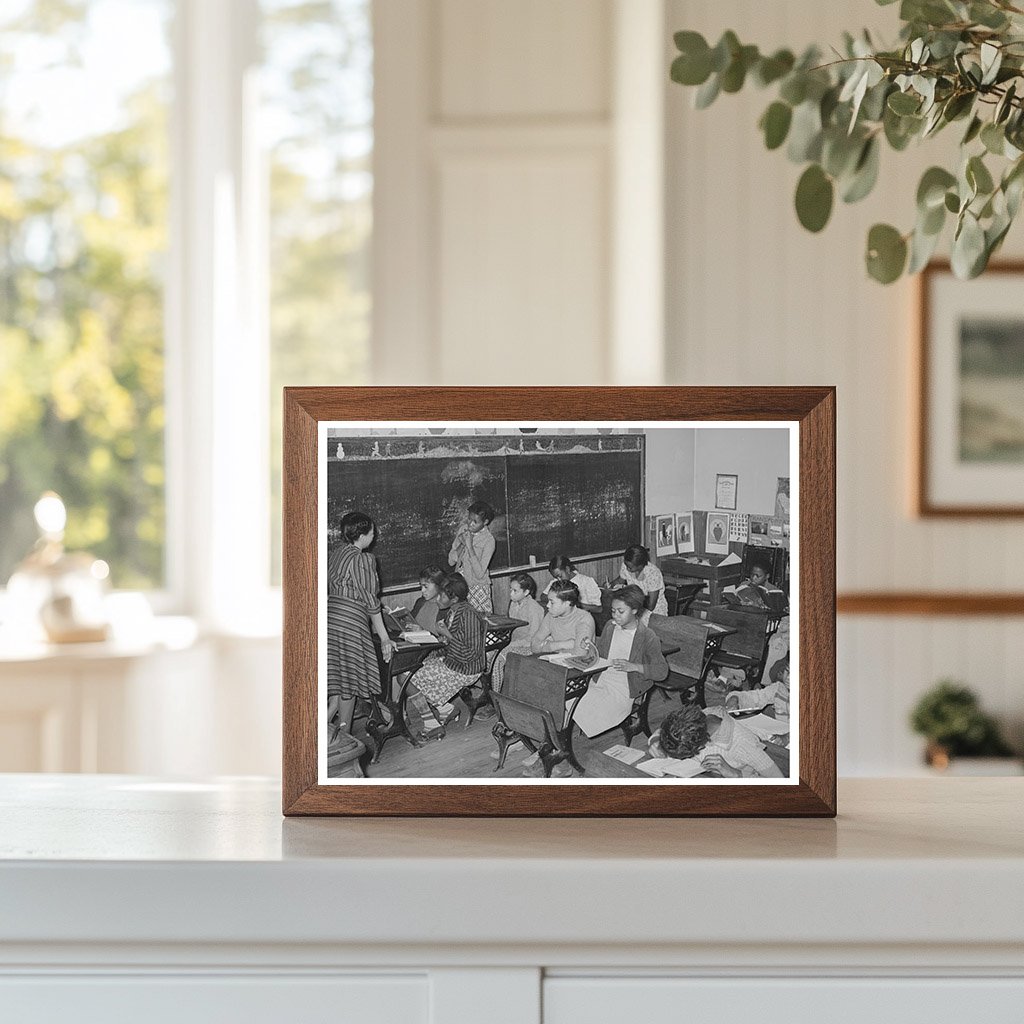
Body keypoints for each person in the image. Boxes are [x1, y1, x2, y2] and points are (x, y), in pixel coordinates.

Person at [326, 511, 395, 746]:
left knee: (339, 681)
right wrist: (385, 638)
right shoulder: (364, 559)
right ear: (363, 535)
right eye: (372, 532)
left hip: (330, 620)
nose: (374, 536)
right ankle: (342, 741)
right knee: (349, 686)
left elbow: (348, 589)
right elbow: (369, 600)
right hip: (349, 625)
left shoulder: (336, 554)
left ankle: (320, 733)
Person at [573, 585, 668, 738]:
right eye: (613, 610)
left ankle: (560, 744)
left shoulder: (647, 636)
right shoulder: (611, 627)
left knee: (586, 705)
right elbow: (601, 655)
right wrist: (590, 648)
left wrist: (634, 667)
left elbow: (662, 672)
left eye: (621, 611)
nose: (615, 615)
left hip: (623, 688)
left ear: (635, 610)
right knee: (568, 698)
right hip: (601, 679)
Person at [408, 572, 486, 726]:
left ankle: (433, 721)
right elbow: (452, 643)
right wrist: (439, 638)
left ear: (455, 598)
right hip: (453, 661)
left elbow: (471, 653)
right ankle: (444, 709)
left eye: (441, 597)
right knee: (410, 672)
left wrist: (447, 636)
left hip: (466, 668)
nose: (437, 599)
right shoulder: (453, 610)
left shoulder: (468, 615)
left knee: (409, 678)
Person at [649, 702, 783, 778]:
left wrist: (735, 774)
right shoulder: (700, 717)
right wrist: (656, 741)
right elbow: (666, 730)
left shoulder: (742, 744)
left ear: (701, 746)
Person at [491, 572, 545, 692]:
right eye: (510, 589)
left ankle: (496, 697)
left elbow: (533, 638)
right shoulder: (514, 604)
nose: (511, 594)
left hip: (529, 646)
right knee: (489, 653)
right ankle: (494, 690)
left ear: (526, 592)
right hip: (513, 642)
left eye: (515, 591)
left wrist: (510, 645)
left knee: (498, 660)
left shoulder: (534, 609)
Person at [725, 651, 790, 744]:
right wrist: (735, 699)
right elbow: (756, 697)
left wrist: (787, 738)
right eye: (787, 671)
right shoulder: (779, 688)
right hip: (779, 734)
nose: (788, 677)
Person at [448, 500, 497, 613]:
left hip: (477, 587)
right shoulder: (463, 529)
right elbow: (451, 561)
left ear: (485, 522)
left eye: (475, 522)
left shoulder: (489, 541)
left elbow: (480, 574)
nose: (470, 524)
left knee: (480, 622)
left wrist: (469, 547)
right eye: (469, 519)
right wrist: (461, 544)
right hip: (460, 585)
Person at [530, 579, 596, 657]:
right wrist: (564, 644)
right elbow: (534, 646)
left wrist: (547, 646)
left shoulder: (584, 619)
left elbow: (580, 654)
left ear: (566, 604)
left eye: (552, 602)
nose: (547, 605)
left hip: (578, 665)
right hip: (556, 661)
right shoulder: (551, 615)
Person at [610, 544, 667, 617]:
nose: (627, 569)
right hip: (635, 608)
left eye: (630, 567)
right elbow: (619, 581)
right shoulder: (627, 566)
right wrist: (610, 585)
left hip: (654, 613)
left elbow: (651, 605)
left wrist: (632, 597)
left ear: (641, 565)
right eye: (626, 565)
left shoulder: (653, 574)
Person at [411, 565, 447, 633]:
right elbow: (410, 622)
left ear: (439, 585)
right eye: (421, 586)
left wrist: (423, 632)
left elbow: (445, 639)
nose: (422, 590)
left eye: (426, 587)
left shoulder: (446, 608)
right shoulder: (420, 602)